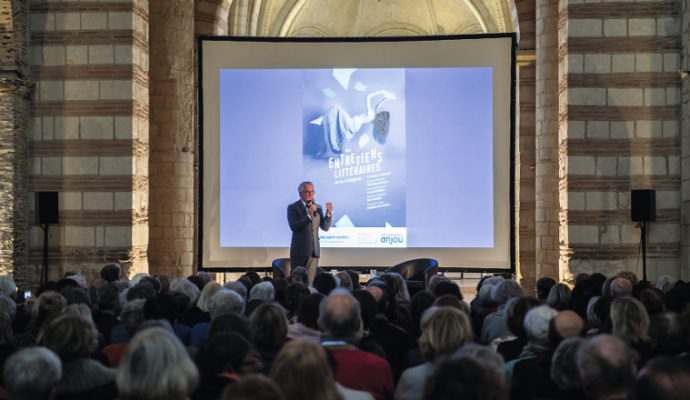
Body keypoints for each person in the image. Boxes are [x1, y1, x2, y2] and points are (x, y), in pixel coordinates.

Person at [287, 181, 333, 283]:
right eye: (307, 192)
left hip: (314, 252)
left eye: (312, 192)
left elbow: (325, 227)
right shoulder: (293, 207)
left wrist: (328, 213)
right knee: (297, 283)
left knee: (310, 283)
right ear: (300, 193)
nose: (310, 194)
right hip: (299, 251)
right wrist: (308, 215)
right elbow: (294, 226)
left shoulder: (318, 207)